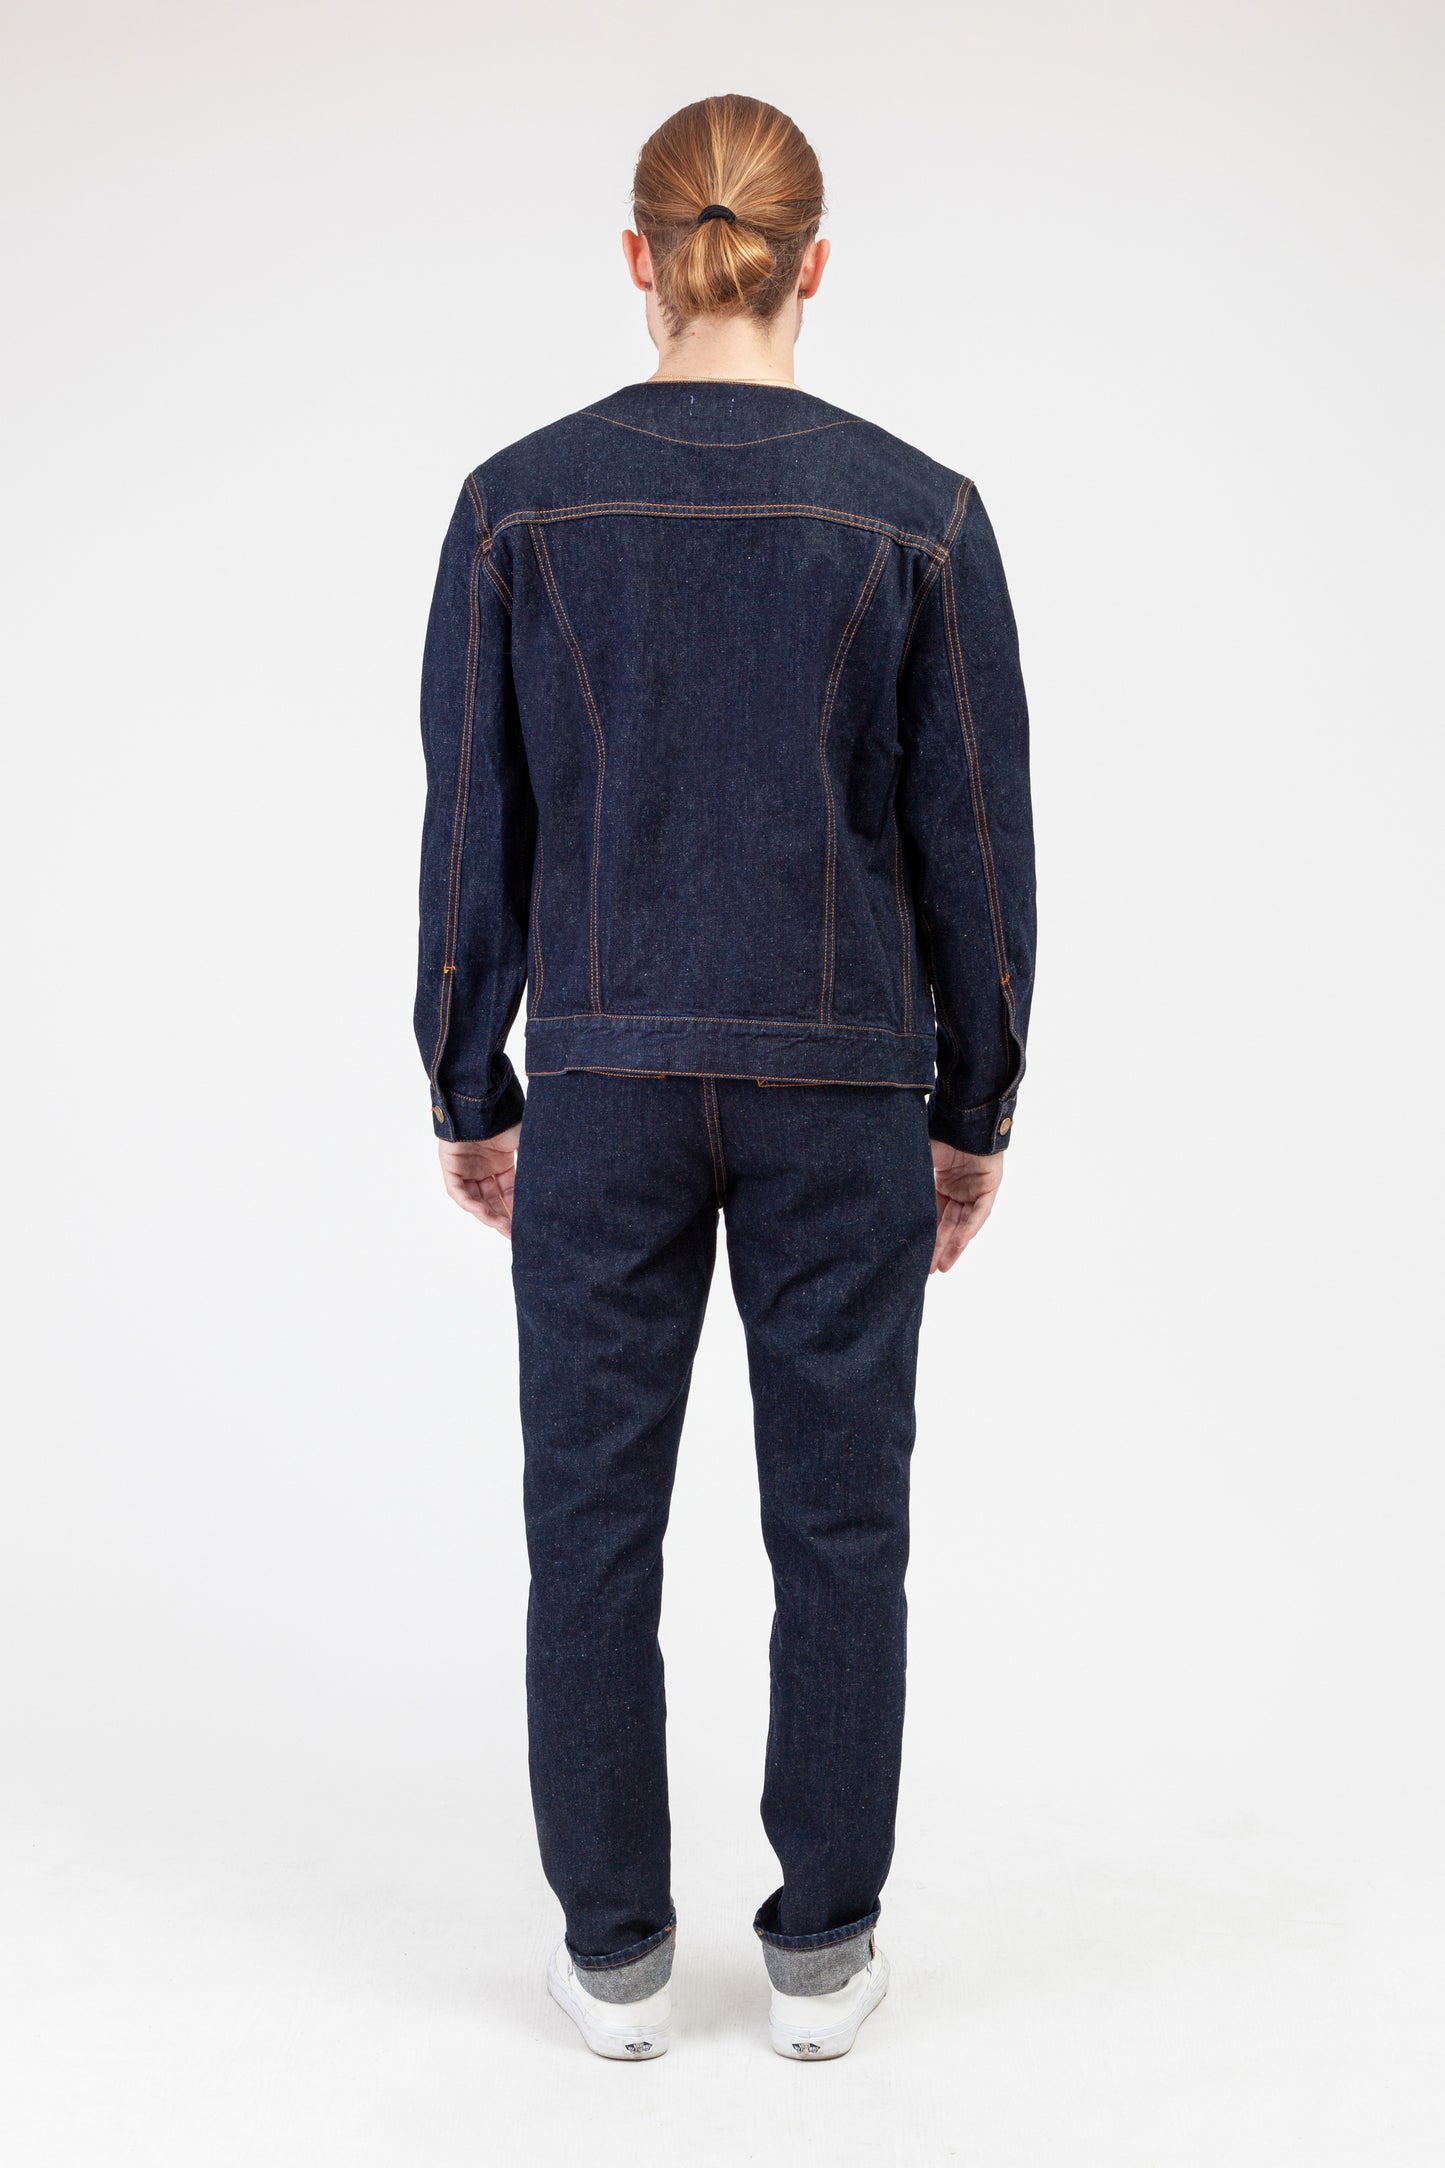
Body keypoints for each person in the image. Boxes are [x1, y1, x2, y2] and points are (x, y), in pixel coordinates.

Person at [414, 92, 1035, 2062]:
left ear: (638, 258)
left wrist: (471, 1083)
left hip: (600, 1078)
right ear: (811, 264)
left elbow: (470, 825)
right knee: (840, 1527)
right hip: (843, 1086)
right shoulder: (920, 515)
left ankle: (612, 1958)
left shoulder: (518, 504)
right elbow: (976, 851)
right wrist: (973, 1110)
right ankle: (822, 1958)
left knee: (588, 1526)